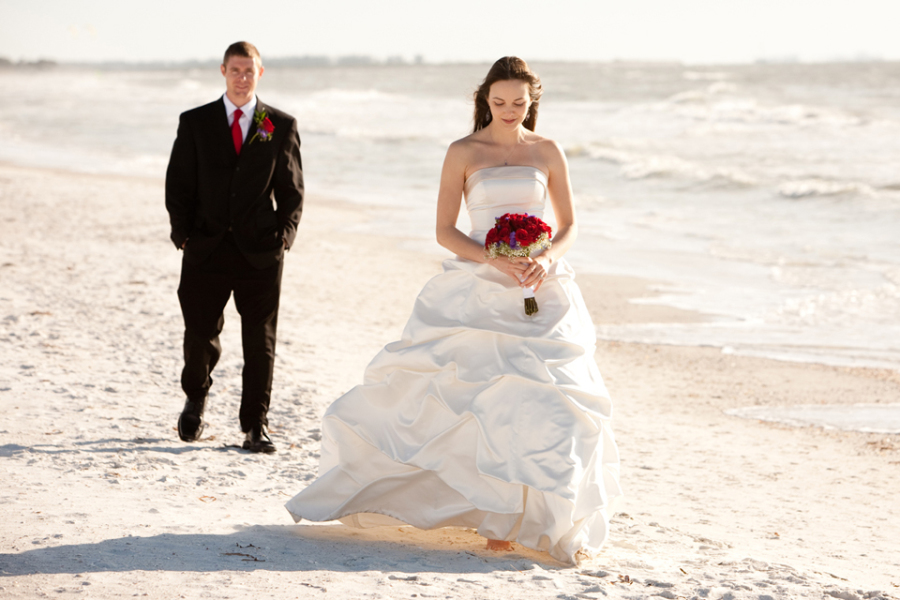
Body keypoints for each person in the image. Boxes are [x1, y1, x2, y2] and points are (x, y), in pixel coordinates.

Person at [285, 57, 620, 563]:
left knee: (553, 402)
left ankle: (544, 519)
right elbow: (445, 230)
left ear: (533, 102)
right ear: (485, 99)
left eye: (520, 103)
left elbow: (570, 224)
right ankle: (493, 520)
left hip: (539, 286)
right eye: (500, 102)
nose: (510, 111)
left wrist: (545, 258)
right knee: (474, 405)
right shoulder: (463, 151)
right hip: (478, 285)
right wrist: (494, 259)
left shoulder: (548, 151)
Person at [165, 41, 304, 453]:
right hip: (205, 248)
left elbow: (292, 192)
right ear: (223, 71)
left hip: (260, 252)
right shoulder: (195, 122)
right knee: (199, 333)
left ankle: (254, 424)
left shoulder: (280, 124)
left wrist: (283, 238)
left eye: (250, 71)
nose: (242, 78)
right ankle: (195, 396)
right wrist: (183, 234)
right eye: (235, 70)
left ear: (261, 73)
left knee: (260, 340)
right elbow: (179, 184)